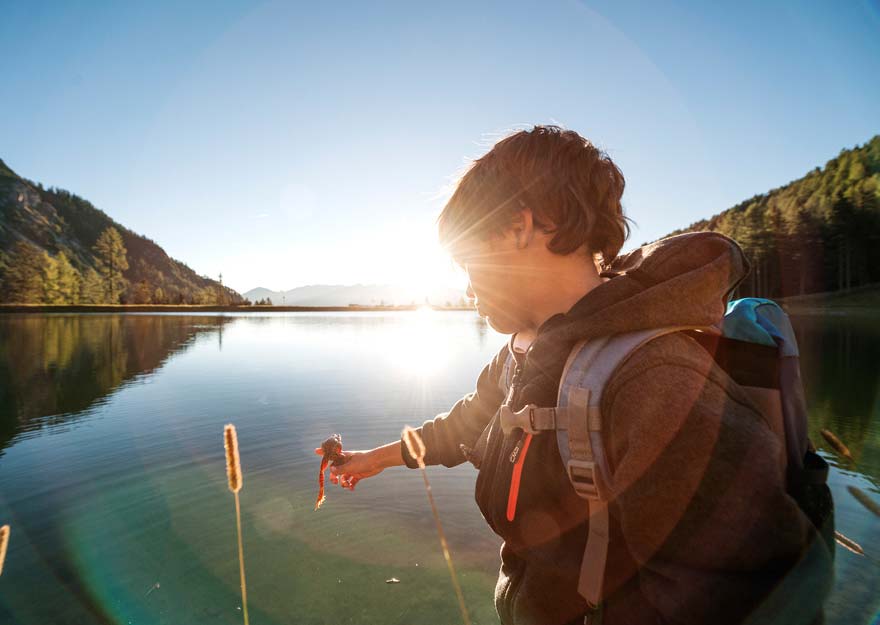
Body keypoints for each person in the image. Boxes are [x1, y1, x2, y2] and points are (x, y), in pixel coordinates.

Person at [314, 126, 830, 625]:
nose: (466, 289)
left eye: (466, 260)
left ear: (519, 227)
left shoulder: (657, 381)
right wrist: (375, 459)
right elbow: (466, 425)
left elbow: (746, 598)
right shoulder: (525, 350)